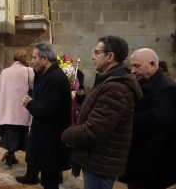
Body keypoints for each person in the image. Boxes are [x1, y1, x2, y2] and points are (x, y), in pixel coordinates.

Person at [61, 35, 142, 189]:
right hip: (97, 158)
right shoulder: (109, 81)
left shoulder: (116, 88)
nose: (92, 57)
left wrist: (67, 134)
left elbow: (94, 130)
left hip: (101, 162)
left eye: (96, 53)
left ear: (110, 56)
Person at [16, 41, 71, 189]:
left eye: (34, 57)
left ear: (44, 58)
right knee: (48, 178)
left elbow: (44, 110)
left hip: (50, 138)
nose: (32, 61)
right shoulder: (46, 74)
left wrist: (29, 103)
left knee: (50, 180)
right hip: (46, 136)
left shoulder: (54, 78)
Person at [119, 48, 176, 189]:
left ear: (152, 65)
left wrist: (124, 119)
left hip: (153, 161)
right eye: (131, 66)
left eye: (136, 66)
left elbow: (156, 120)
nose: (132, 70)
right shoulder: (143, 83)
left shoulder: (167, 88)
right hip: (139, 158)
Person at [0, 49, 34, 167]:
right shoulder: (29, 71)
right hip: (22, 109)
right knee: (22, 134)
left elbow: (0, 90)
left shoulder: (5, 71)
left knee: (9, 133)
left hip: (8, 109)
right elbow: (33, 89)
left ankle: (10, 155)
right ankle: (29, 162)